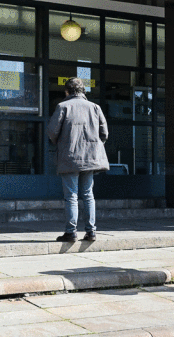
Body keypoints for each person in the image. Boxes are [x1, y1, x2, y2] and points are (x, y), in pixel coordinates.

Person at [47, 77, 109, 242]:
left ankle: (71, 231)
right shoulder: (95, 107)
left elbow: (52, 132)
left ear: (67, 91)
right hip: (90, 157)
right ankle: (91, 232)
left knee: (71, 195)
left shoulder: (63, 106)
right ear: (83, 91)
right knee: (88, 194)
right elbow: (105, 134)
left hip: (69, 157)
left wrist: (62, 142)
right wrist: (93, 146)